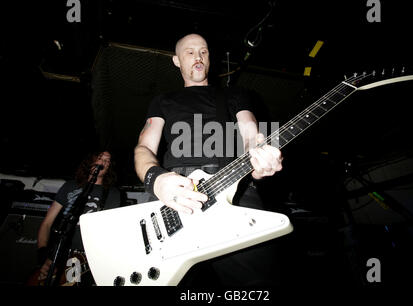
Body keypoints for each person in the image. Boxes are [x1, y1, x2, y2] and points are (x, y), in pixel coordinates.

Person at [134, 33, 284, 286]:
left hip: (234, 188)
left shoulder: (235, 94)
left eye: (203, 51)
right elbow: (144, 147)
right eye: (190, 52)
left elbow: (251, 133)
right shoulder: (162, 101)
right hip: (176, 193)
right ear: (176, 61)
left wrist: (261, 153)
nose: (198, 57)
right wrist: (155, 180)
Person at [34, 151, 121, 286]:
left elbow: (111, 232)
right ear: (91, 161)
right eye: (100, 158)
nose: (103, 162)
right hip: (58, 254)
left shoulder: (112, 193)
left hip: (85, 258)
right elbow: (47, 223)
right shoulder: (70, 186)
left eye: (107, 161)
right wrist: (43, 256)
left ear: (109, 167)